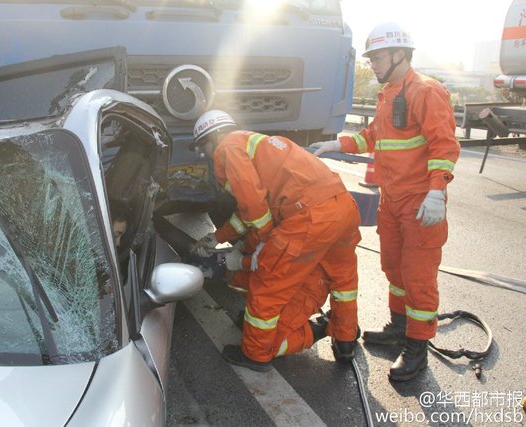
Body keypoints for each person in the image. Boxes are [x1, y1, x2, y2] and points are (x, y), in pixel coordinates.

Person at [310, 22, 461, 382]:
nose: (373, 65)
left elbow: (444, 145)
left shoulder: (426, 91)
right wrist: (337, 145)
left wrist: (437, 190)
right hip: (392, 202)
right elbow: (373, 137)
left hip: (421, 203)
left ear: (399, 55)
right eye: (372, 58)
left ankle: (417, 347)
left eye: (377, 58)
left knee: (418, 276)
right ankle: (399, 326)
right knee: (393, 269)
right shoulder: (390, 93)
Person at [190, 109, 362, 372]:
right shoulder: (257, 144)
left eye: (204, 148)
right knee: (344, 279)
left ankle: (256, 355)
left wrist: (259, 246)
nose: (208, 155)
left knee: (268, 283)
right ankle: (346, 339)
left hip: (310, 216)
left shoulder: (228, 147)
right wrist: (217, 236)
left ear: (211, 139)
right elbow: (249, 213)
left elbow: (255, 210)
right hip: (343, 207)